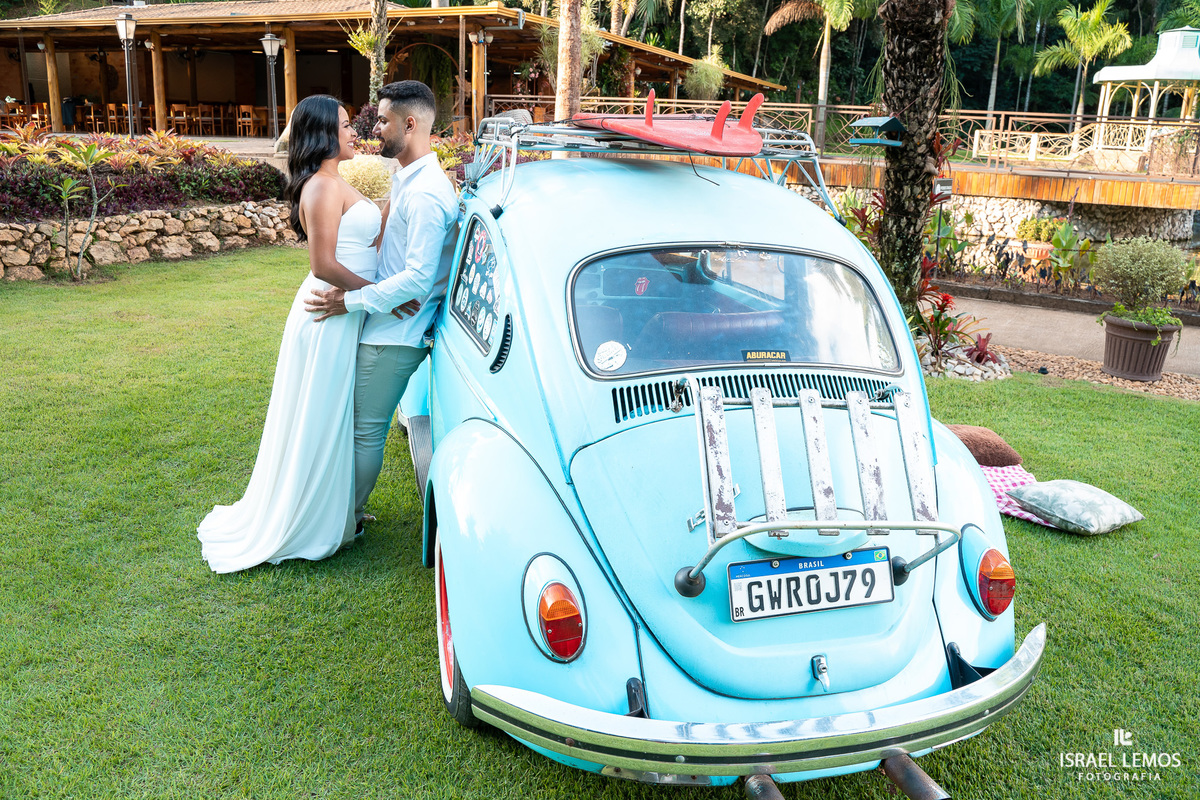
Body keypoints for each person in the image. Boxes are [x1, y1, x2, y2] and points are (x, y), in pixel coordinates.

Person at [197, 94, 382, 573]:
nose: (353, 131)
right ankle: (311, 517)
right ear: (322, 134)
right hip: (328, 313)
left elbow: (362, 229)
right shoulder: (321, 187)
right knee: (319, 416)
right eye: (344, 126)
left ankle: (333, 506)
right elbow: (322, 264)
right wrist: (383, 293)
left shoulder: (334, 181)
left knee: (332, 415)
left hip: (343, 311)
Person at [305, 81, 458, 532]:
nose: (374, 129)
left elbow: (418, 278)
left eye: (383, 120)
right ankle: (343, 512)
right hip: (386, 322)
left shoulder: (427, 191)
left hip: (395, 334)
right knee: (358, 424)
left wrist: (350, 300)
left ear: (410, 125)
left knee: (364, 429)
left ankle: (345, 519)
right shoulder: (410, 177)